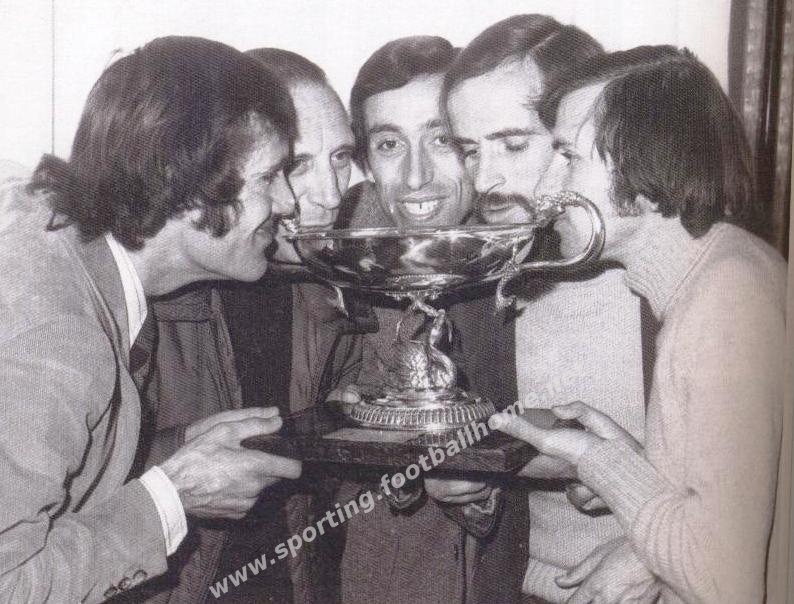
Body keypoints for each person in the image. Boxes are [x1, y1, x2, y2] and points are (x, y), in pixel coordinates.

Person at [0, 36, 302, 603]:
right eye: (270, 177)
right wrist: (172, 497)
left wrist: (170, 456)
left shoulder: (68, 250)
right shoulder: (58, 337)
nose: (288, 202)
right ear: (185, 186)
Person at [494, 46, 785, 604]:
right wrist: (630, 463)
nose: (545, 190)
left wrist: (596, 460)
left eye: (569, 157)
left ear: (643, 166)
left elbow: (725, 582)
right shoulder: (725, 270)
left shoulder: (725, 301)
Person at [126, 47, 366, 604]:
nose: (330, 196)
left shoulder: (329, 288)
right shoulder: (141, 295)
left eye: (341, 158)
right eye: (293, 167)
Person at [441, 15, 648, 604]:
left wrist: (649, 529)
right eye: (469, 149)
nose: (485, 179)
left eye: (513, 144)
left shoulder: (663, 276)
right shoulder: (478, 284)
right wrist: (465, 490)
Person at [332, 35, 529, 604]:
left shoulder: (531, 258)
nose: (416, 176)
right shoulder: (342, 258)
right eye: (390, 144)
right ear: (366, 162)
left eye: (441, 140)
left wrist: (482, 484)